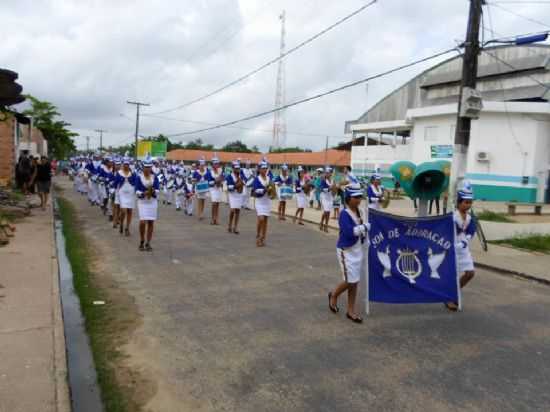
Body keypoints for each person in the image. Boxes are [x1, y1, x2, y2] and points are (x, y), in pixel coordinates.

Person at [328, 183, 370, 324]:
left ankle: (350, 311)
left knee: (355, 281)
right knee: (350, 280)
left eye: (360, 197)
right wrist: (364, 227)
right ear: (348, 198)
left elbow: (363, 232)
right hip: (346, 251)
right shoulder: (344, 214)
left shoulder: (361, 212)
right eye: (355, 197)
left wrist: (366, 240)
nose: (358, 200)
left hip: (358, 249)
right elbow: (350, 232)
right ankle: (334, 295)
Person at [446, 181, 476, 312]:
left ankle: (453, 292)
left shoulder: (470, 218)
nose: (468, 205)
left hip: (463, 249)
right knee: (452, 275)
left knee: (470, 273)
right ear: (459, 202)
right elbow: (445, 231)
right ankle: (450, 297)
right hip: (452, 248)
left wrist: (465, 241)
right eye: (466, 202)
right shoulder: (451, 216)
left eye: (470, 202)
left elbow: (471, 230)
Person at [135, 158, 160, 251]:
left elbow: (158, 189)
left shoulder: (155, 177)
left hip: (152, 202)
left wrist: (153, 191)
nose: (148, 169)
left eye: (149, 167)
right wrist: (143, 193)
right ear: (143, 167)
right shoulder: (139, 177)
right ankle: (142, 240)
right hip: (143, 202)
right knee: (142, 222)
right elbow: (136, 190)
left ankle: (148, 243)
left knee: (150, 222)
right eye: (146, 167)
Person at [252, 160, 273, 247]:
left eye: (265, 168)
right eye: (263, 168)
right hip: (259, 201)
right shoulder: (257, 179)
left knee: (266, 221)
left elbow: (272, 189)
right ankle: (258, 236)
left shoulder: (269, 178)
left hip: (267, 201)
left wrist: (272, 191)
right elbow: (255, 189)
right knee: (261, 219)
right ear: (259, 169)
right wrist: (265, 190)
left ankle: (263, 238)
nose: (264, 170)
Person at [114, 158, 136, 236]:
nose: (126, 165)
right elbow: (115, 183)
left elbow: (135, 182)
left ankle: (127, 228)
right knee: (123, 210)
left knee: (129, 211)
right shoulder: (119, 173)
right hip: (122, 193)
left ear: (129, 165)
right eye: (125, 164)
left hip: (130, 192)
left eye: (127, 164)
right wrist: (115, 190)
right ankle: (121, 224)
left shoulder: (132, 173)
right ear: (123, 165)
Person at [226, 160, 243, 234]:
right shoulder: (229, 176)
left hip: (239, 194)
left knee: (238, 211)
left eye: (238, 168)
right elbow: (229, 188)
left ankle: (235, 227)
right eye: (236, 168)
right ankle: (230, 224)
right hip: (232, 195)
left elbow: (246, 182)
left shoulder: (241, 175)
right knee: (232, 210)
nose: (237, 169)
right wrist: (237, 185)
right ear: (233, 168)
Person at [206, 156, 224, 225]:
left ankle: (216, 219)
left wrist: (220, 180)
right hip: (213, 189)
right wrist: (216, 181)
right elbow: (209, 182)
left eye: (217, 164)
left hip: (219, 188)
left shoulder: (220, 171)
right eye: (215, 164)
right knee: (214, 203)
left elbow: (222, 178)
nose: (216, 165)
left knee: (217, 204)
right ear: (212, 164)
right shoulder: (210, 172)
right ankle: (212, 218)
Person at [319, 167, 334, 233]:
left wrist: (335, 189)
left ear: (331, 173)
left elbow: (334, 190)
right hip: (324, 197)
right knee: (326, 211)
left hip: (330, 197)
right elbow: (321, 189)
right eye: (326, 173)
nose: (327, 174)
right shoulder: (323, 180)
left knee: (329, 212)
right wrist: (329, 189)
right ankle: (322, 222)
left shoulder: (333, 181)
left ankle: (326, 225)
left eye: (329, 173)